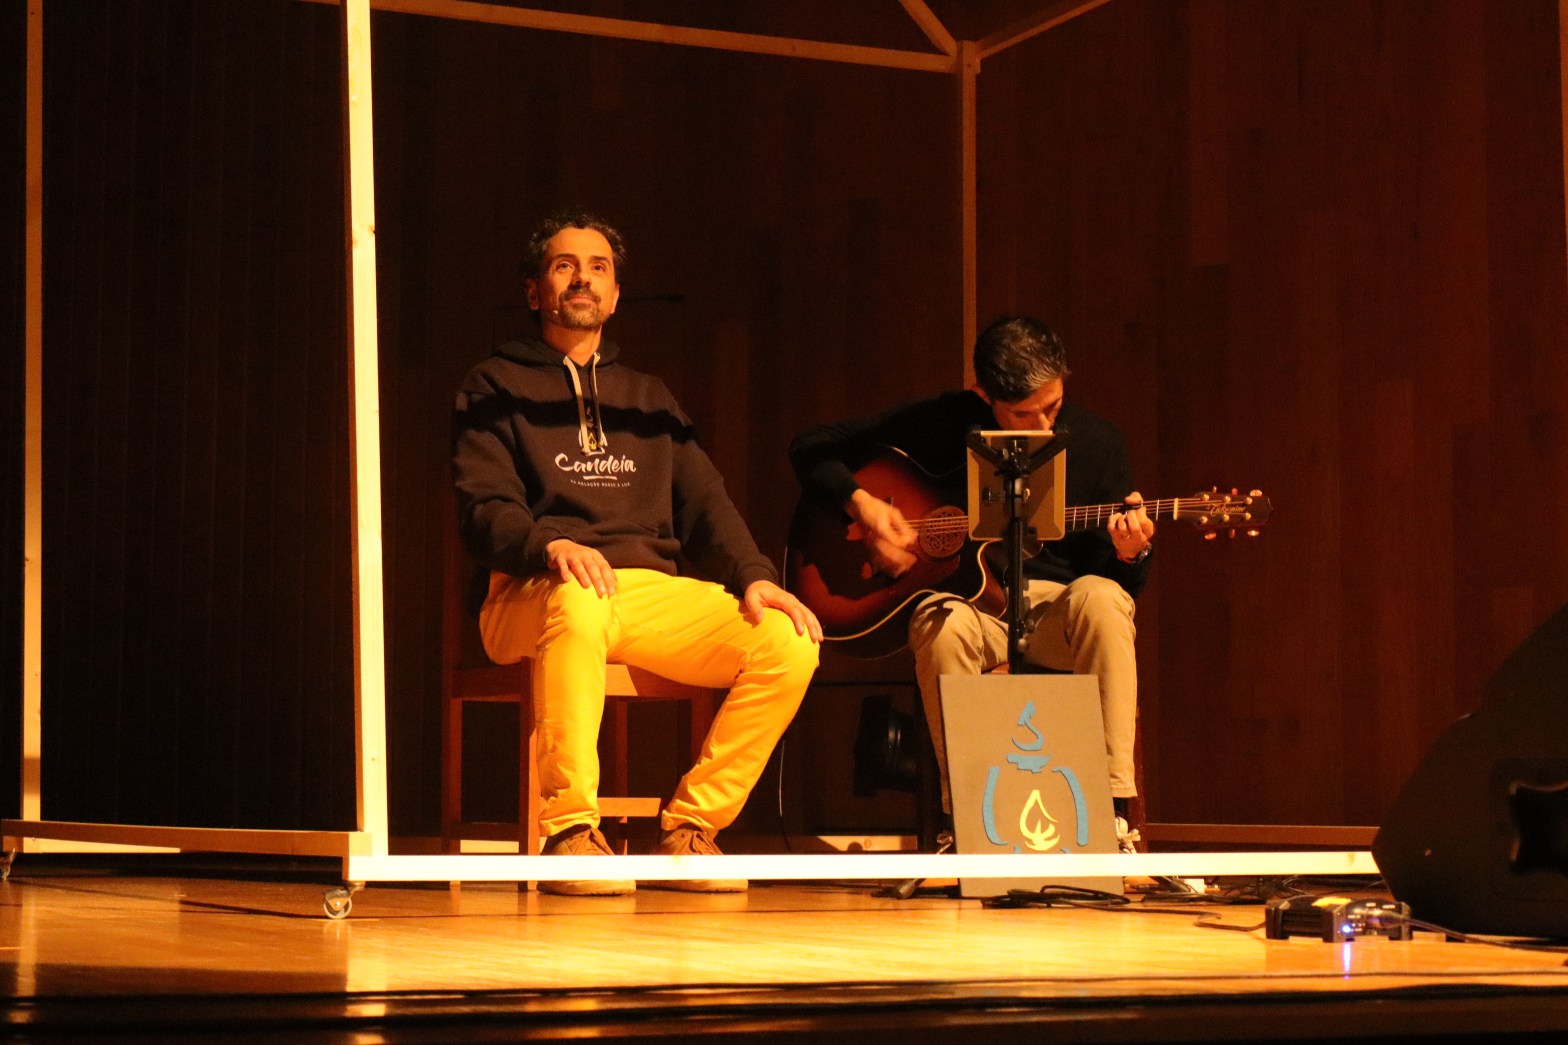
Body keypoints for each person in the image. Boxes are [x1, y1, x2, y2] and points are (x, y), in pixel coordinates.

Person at [452, 210, 821, 895]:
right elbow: (483, 510)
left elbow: (707, 501)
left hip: (643, 594)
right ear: (536, 291)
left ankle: (690, 829)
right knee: (581, 597)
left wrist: (756, 576)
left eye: (598, 267)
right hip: (531, 592)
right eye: (564, 265)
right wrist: (550, 541)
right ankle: (569, 830)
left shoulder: (648, 398)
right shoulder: (493, 383)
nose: (582, 278)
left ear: (616, 295)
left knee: (788, 638)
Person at [788, 315, 1152, 852]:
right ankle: (966, 824)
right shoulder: (943, 422)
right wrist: (863, 508)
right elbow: (811, 447)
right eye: (1022, 415)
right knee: (942, 623)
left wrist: (1131, 552)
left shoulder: (1098, 443)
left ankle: (1113, 814)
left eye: (1051, 408)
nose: (1042, 428)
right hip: (974, 612)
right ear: (984, 395)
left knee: (1103, 597)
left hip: (1055, 614)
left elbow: (1124, 589)